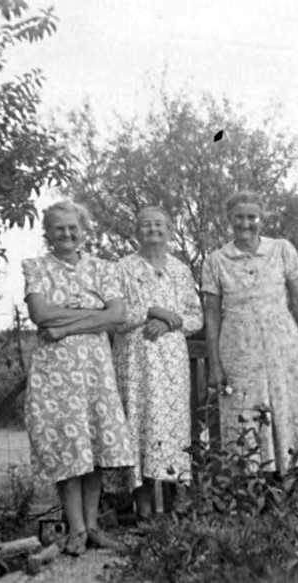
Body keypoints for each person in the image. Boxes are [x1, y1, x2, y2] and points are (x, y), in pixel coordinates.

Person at [22, 200, 133, 556]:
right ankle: (77, 529)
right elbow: (40, 314)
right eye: (59, 228)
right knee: (68, 447)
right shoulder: (37, 267)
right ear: (48, 232)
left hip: (95, 370)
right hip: (55, 372)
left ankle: (93, 526)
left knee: (95, 445)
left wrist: (65, 324)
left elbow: (116, 315)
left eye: (73, 228)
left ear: (84, 232)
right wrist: (92, 314)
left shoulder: (103, 269)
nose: (67, 234)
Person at [201, 192, 298, 473]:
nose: (246, 223)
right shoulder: (216, 261)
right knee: (245, 411)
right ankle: (254, 490)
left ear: (261, 218)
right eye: (239, 217)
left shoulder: (281, 249)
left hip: (282, 343)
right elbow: (211, 314)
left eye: (252, 217)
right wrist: (215, 364)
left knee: (292, 410)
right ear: (229, 219)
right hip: (239, 347)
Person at [113, 206, 203, 519]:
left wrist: (169, 322)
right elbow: (116, 318)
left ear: (170, 230)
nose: (153, 229)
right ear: (137, 231)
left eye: (159, 224)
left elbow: (196, 317)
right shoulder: (122, 268)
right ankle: (144, 508)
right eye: (146, 225)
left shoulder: (180, 269)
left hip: (171, 365)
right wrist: (152, 310)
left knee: (171, 428)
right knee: (138, 425)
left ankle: (175, 504)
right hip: (135, 363)